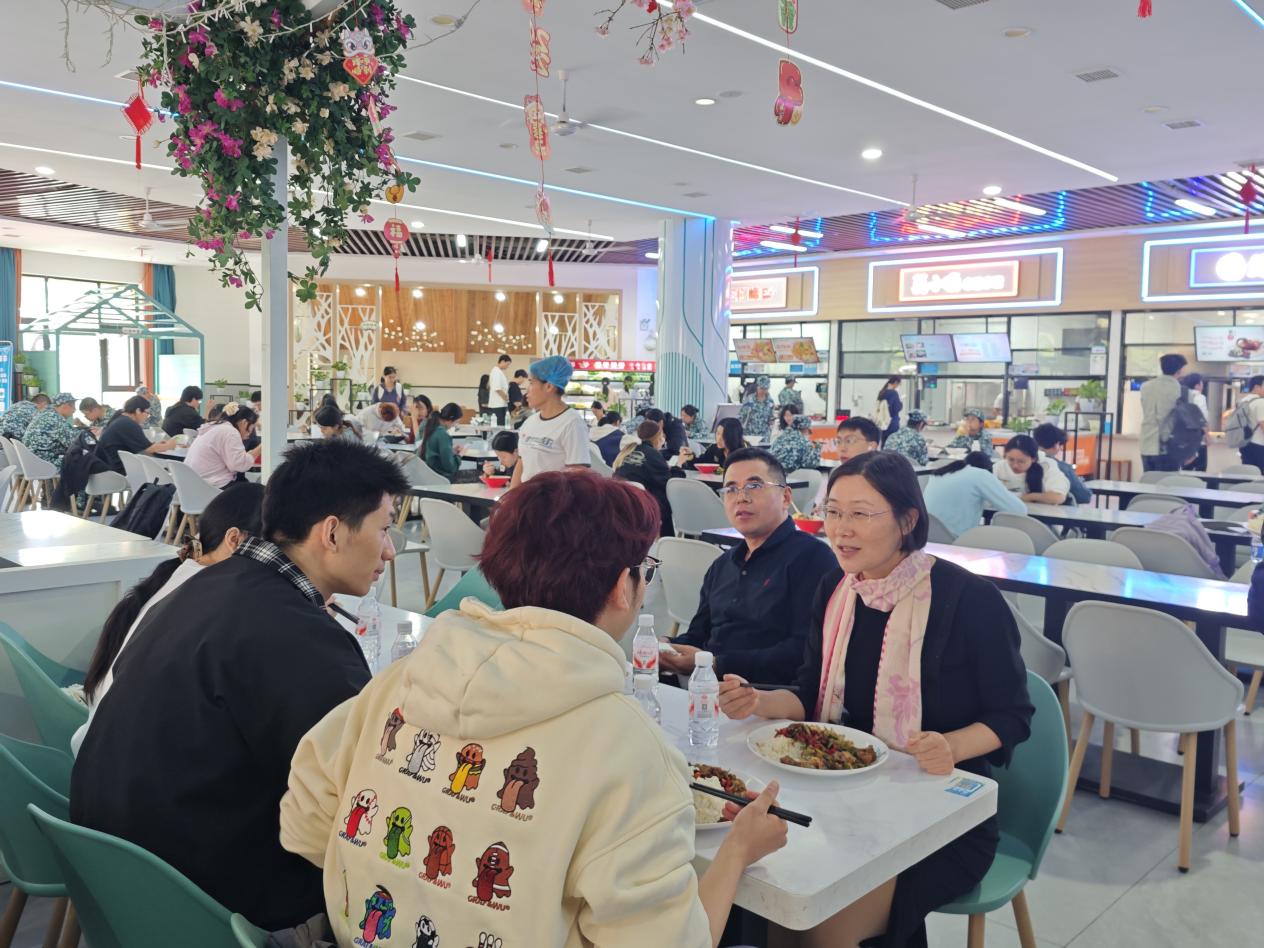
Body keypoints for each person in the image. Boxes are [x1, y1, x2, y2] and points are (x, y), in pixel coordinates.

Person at [279, 471, 787, 948]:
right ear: (622, 585)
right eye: (645, 571)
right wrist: (737, 850)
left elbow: (304, 823)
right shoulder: (628, 747)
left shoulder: (400, 679)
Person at [72, 439, 408, 931]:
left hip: (116, 878)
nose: (390, 551)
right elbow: (356, 792)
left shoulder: (202, 585)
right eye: (384, 529)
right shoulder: (296, 636)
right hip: (204, 903)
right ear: (332, 532)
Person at [718, 451, 1032, 947]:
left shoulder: (967, 599)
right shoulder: (836, 588)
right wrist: (759, 701)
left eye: (860, 514)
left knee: (826, 907)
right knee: (766, 881)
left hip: (939, 813)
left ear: (907, 520)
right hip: (840, 796)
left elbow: (1013, 715)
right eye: (833, 512)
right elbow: (811, 695)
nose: (841, 529)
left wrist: (951, 746)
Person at [72, 482, 264, 754]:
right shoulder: (211, 598)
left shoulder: (179, 578)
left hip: (104, 747)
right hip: (124, 759)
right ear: (235, 540)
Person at [663, 447, 838, 684]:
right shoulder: (722, 564)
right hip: (706, 690)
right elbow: (698, 635)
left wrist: (717, 664)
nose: (741, 497)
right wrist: (668, 647)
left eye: (754, 486)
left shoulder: (813, 558)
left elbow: (803, 652)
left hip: (768, 697)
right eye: (731, 489)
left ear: (786, 497)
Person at [511, 355, 590, 486]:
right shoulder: (530, 422)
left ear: (549, 386)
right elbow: (522, 463)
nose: (526, 390)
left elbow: (578, 476)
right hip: (529, 496)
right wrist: (511, 496)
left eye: (531, 383)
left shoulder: (572, 423)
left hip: (554, 497)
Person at [923, 452, 1026, 538]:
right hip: (956, 541)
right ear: (989, 470)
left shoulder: (941, 473)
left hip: (926, 537)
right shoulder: (981, 475)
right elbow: (1019, 510)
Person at [614, 419, 685, 536]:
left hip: (623, 505)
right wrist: (679, 464)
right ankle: (668, 538)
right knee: (665, 496)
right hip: (646, 507)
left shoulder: (627, 451)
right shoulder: (653, 454)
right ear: (658, 437)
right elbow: (671, 485)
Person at [810, 416, 881, 511]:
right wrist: (819, 510)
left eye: (849, 441)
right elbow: (826, 508)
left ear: (872, 446)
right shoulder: (837, 473)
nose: (842, 448)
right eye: (838, 441)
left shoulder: (881, 480)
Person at [185, 401, 262, 487]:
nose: (250, 433)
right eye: (252, 427)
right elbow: (239, 465)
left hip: (195, 484)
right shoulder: (230, 432)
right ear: (244, 423)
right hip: (212, 486)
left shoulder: (214, 427)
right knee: (259, 490)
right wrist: (261, 447)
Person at [94, 395, 179, 473]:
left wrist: (158, 445)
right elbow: (146, 450)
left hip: (108, 466)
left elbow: (145, 447)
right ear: (138, 411)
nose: (147, 417)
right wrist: (169, 445)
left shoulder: (120, 419)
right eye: (147, 413)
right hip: (119, 470)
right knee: (168, 468)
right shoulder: (128, 423)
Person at [1139, 352, 1188, 473]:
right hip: (1169, 447)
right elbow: (1186, 420)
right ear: (1179, 370)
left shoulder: (1145, 387)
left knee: (1148, 481)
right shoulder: (1182, 391)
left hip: (1146, 444)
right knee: (1168, 483)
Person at [993, 434, 1070, 505]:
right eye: (1011, 459)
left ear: (1033, 459)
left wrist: (1029, 497)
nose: (1015, 465)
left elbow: (1058, 497)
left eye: (1021, 461)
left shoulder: (1047, 466)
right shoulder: (1000, 466)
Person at [1032, 423, 1093, 504]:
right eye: (1060, 444)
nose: (1061, 448)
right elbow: (1084, 496)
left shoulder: (1024, 462)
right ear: (1056, 444)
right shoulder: (1062, 467)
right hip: (1058, 509)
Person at [21, 393, 76, 470]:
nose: (74, 410)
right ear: (65, 405)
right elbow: (73, 442)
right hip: (44, 464)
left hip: (32, 461)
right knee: (82, 458)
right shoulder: (55, 418)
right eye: (73, 406)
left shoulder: (45, 414)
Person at [418, 401, 469, 480]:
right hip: (440, 477)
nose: (455, 426)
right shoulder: (443, 434)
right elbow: (450, 467)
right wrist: (459, 455)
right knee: (477, 475)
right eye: (456, 422)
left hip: (427, 475)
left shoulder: (430, 427)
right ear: (451, 420)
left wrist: (450, 451)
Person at [1180, 373, 1209, 472]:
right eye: (1201, 383)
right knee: (1201, 469)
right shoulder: (1200, 397)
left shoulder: (1181, 397)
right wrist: (1207, 436)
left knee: (1185, 469)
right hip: (1198, 439)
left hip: (1184, 439)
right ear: (1197, 385)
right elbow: (1202, 419)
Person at [1237, 375, 1264, 471]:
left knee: (1248, 471)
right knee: (1261, 473)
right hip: (1259, 444)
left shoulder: (1243, 401)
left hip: (1244, 443)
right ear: (1257, 387)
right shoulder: (1260, 402)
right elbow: (1263, 424)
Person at [739, 375, 775, 439]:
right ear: (757, 387)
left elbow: (771, 418)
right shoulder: (749, 399)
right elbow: (742, 416)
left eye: (765, 389)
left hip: (764, 435)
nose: (763, 391)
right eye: (761, 388)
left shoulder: (770, 401)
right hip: (750, 433)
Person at [875, 376, 902, 445]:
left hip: (883, 422)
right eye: (898, 384)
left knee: (884, 443)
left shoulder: (882, 392)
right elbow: (896, 408)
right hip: (892, 423)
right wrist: (900, 401)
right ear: (895, 382)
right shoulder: (893, 393)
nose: (898, 386)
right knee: (892, 444)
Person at [487, 353, 512, 425]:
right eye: (507, 364)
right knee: (500, 425)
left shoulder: (499, 371)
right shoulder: (496, 372)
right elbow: (497, 388)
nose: (508, 367)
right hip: (498, 404)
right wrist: (505, 397)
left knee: (502, 424)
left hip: (500, 404)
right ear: (502, 361)